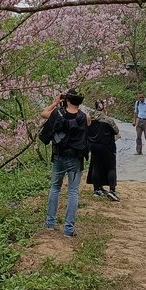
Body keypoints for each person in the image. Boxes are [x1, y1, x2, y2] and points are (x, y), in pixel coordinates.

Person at [40, 88, 91, 237]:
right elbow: (87, 122)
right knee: (73, 191)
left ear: (66, 99)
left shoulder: (57, 114)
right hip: (76, 159)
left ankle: (50, 223)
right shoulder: (85, 117)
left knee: (55, 188)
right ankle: (69, 229)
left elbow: (43, 113)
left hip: (59, 156)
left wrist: (55, 103)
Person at [86, 99, 120, 201]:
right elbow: (116, 131)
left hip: (94, 146)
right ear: (104, 107)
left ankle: (97, 189)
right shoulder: (108, 120)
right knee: (111, 168)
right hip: (107, 146)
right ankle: (112, 190)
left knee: (96, 167)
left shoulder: (90, 119)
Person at [132, 90, 146, 154]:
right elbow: (135, 112)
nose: (141, 99)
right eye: (140, 97)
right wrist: (134, 120)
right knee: (138, 136)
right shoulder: (137, 103)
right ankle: (139, 151)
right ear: (138, 97)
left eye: (142, 97)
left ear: (144, 96)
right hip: (139, 120)